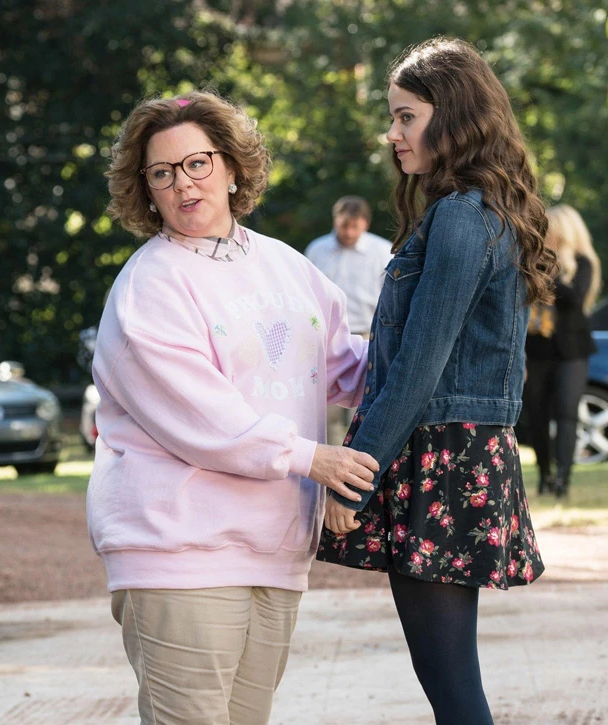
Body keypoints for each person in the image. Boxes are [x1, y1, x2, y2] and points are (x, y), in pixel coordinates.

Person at [86, 90, 379, 725]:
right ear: (146, 190)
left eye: (197, 163)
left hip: (277, 547)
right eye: (161, 173)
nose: (182, 183)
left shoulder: (288, 266)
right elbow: (200, 415)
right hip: (177, 549)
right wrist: (312, 458)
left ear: (231, 167)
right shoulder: (150, 285)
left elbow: (346, 367)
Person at [317, 37, 557, 725]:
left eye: (406, 117)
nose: (392, 134)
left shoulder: (459, 217)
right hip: (461, 455)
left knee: (454, 693)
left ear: (452, 117)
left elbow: (420, 365)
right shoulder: (485, 211)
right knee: (453, 687)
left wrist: (354, 478)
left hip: (441, 460)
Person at [524, 204, 602, 497]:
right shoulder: (534, 261)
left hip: (572, 352)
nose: (547, 237)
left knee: (568, 412)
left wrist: (555, 269)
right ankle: (545, 474)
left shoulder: (583, 263)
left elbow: (573, 299)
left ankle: (563, 480)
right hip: (537, 350)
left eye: (553, 232)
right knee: (537, 415)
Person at [305, 196, 392, 443]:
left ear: (365, 224)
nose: (349, 232)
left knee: (364, 408)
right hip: (328, 339)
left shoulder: (382, 252)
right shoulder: (317, 250)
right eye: (344, 225)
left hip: (368, 336)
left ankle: (358, 460)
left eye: (354, 226)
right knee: (327, 411)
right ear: (335, 221)